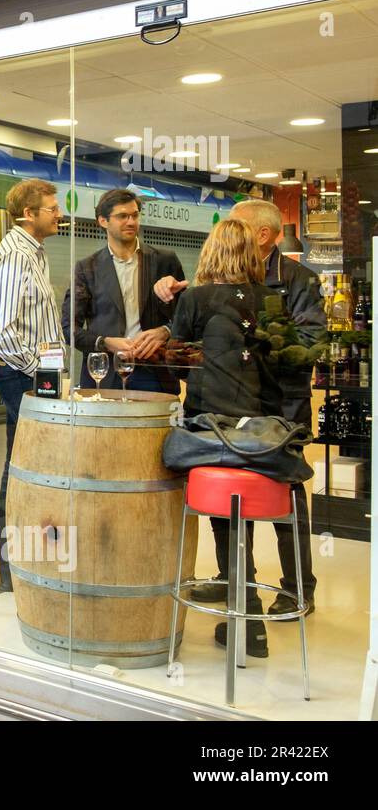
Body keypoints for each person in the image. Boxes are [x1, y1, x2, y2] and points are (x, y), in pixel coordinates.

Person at [185, 199, 322, 618]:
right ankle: (235, 582)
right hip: (224, 407)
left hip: (278, 410)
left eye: (235, 226)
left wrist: (252, 349)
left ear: (261, 235)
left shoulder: (298, 280)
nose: (227, 232)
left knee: (285, 493)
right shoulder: (215, 289)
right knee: (226, 494)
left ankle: (298, 586)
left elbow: (308, 346)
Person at [168, 218, 284, 657]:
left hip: (210, 427)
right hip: (261, 432)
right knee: (242, 511)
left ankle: (244, 610)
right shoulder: (272, 299)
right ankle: (250, 616)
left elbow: (178, 364)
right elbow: (282, 366)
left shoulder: (195, 299)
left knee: (221, 510)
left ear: (210, 252)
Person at [0, 178, 65, 593]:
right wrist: (37, 369)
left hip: (31, 373)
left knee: (24, 466)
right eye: (52, 208)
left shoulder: (34, 253)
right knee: (23, 469)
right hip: (21, 374)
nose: (60, 214)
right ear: (29, 215)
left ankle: (19, 568)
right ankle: (11, 571)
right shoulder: (14, 256)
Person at [61, 189, 183, 394]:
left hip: (154, 372)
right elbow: (69, 328)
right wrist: (106, 343)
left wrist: (165, 331)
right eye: (122, 216)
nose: (131, 222)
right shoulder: (87, 268)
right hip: (105, 373)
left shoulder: (164, 261)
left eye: (135, 215)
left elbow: (187, 317)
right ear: (103, 221)